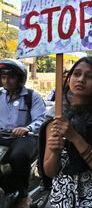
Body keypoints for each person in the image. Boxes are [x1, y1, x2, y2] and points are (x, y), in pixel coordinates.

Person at [41, 56, 92, 207]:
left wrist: (74, 137)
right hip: (63, 199)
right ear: (69, 77)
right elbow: (50, 172)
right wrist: (55, 152)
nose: (81, 79)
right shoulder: (56, 115)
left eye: (89, 76)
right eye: (76, 74)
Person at [0, 59, 46, 208]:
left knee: (18, 157)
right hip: (2, 136)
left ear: (20, 79)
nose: (6, 81)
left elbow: (41, 118)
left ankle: (23, 194)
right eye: (3, 77)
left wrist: (27, 128)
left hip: (24, 137)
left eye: (11, 77)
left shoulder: (32, 97)